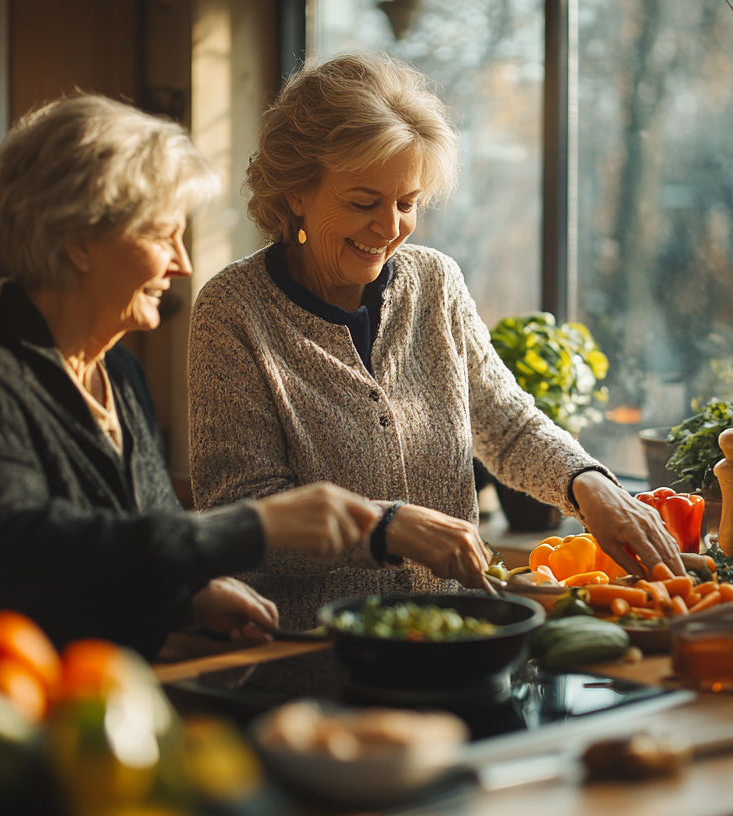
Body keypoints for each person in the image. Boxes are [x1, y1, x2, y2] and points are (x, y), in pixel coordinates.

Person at [0, 94, 381, 659]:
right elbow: (17, 552)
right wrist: (253, 525)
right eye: (163, 235)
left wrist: (188, 597)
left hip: (91, 713)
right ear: (79, 241)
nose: (182, 263)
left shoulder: (119, 371)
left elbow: (116, 550)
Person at [187, 53, 682, 631]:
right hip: (312, 656)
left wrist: (586, 482)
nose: (389, 226)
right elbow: (240, 516)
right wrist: (383, 529)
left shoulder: (436, 282)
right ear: (297, 191)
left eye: (407, 203)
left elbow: (508, 426)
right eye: (363, 202)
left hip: (457, 637)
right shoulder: (233, 310)